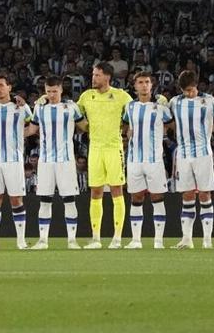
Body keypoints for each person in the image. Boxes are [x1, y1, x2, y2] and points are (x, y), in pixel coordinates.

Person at [76, 62, 132, 249]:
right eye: (93, 74)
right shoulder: (86, 96)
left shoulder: (121, 96)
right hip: (95, 149)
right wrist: (85, 127)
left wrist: (125, 131)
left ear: (107, 77)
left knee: (117, 190)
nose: (94, 78)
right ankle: (96, 238)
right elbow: (74, 115)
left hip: (114, 148)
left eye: (97, 75)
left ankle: (117, 238)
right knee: (96, 192)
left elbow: (135, 113)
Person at [26, 76, 84, 249]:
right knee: (45, 200)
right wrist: (10, 136)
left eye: (54, 91)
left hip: (65, 161)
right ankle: (43, 240)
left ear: (61, 90)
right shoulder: (39, 108)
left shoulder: (72, 107)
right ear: (45, 91)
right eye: (48, 91)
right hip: (45, 161)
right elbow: (32, 129)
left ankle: (72, 240)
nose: (51, 95)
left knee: (69, 200)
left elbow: (85, 126)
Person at [168, 70, 214, 249]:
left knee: (205, 194)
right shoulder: (175, 102)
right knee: (187, 195)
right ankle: (187, 239)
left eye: (191, 90)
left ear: (197, 86)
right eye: (185, 91)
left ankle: (207, 240)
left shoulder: (209, 101)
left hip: (203, 154)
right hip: (183, 155)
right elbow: (169, 121)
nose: (188, 94)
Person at [123, 72, 172, 249]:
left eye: (147, 82)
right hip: (134, 160)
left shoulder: (161, 108)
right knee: (136, 198)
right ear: (134, 86)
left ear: (152, 85)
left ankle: (158, 240)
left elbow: (171, 125)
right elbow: (126, 127)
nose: (144, 85)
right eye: (140, 83)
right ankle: (136, 240)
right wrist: (128, 135)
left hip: (154, 160)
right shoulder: (129, 107)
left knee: (157, 198)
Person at [0, 73, 31, 250]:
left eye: (1, 85)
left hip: (14, 160)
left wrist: (25, 104)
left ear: (9, 87)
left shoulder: (20, 107)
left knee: (16, 200)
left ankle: (21, 241)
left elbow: (33, 123)